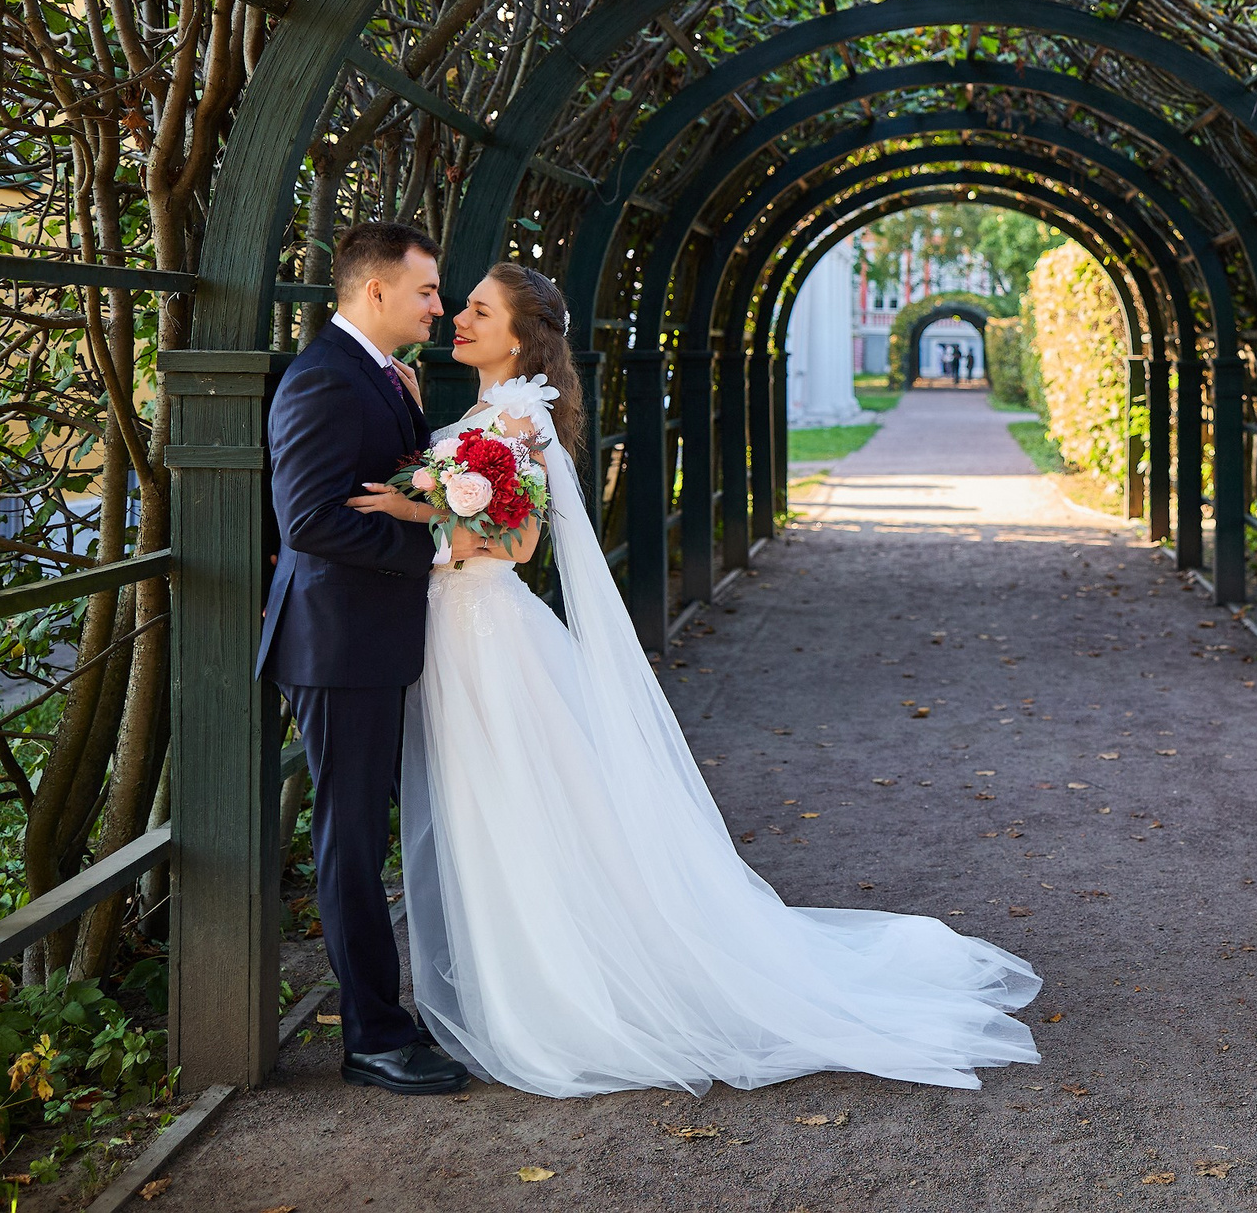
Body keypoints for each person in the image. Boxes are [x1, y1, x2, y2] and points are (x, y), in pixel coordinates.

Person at [344, 262, 1042, 1097]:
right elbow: (478, 513)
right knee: (493, 807)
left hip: (490, 632)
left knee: (517, 805)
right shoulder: (480, 411)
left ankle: (560, 993)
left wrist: (418, 520)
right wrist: (425, 500)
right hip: (461, 632)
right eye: (459, 306)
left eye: (478, 309)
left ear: (520, 335)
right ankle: (520, 975)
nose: (458, 316)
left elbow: (519, 544)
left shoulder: (519, 420)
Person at [260, 221, 473, 1096]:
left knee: (373, 829)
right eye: (426, 290)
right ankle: (372, 1037)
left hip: (372, 638)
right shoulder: (322, 379)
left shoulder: (378, 374)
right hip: (337, 644)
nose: (439, 304)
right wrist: (431, 551)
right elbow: (306, 519)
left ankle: (392, 1016)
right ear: (373, 290)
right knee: (349, 843)